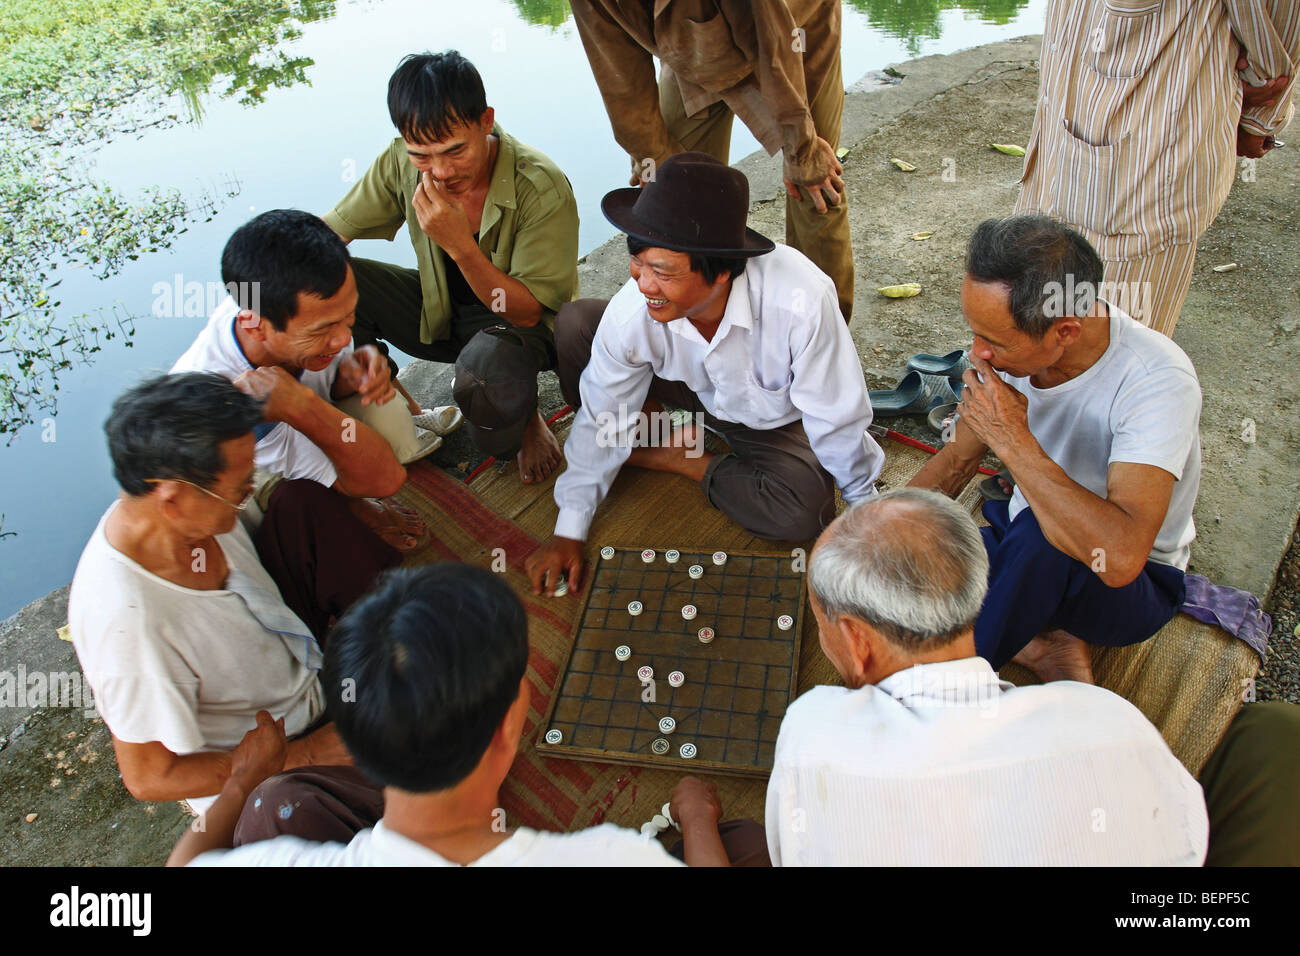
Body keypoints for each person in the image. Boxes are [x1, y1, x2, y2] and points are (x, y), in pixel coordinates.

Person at [169, 564, 735, 866]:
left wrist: (244, 782)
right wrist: (699, 819)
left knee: (274, 806)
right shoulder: (616, 857)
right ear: (514, 717)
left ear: (354, 744)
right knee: (751, 841)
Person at [758, 487, 1209, 865]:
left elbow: (788, 849)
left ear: (857, 641)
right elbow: (1189, 836)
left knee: (742, 837)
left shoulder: (815, 731)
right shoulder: (1117, 723)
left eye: (822, 623)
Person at [525, 152, 883, 597]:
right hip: (688, 387)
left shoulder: (800, 300)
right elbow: (603, 410)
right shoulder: (634, 313)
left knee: (804, 511)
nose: (643, 284)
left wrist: (863, 507)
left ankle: (679, 455)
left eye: (662, 272)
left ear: (721, 272)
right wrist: (569, 530)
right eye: (637, 260)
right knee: (577, 324)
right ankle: (646, 430)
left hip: (768, 417)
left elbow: (835, 414)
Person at [67, 373, 397, 816]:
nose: (249, 490)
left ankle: (389, 649)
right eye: (239, 488)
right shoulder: (125, 620)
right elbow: (148, 776)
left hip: (294, 650)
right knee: (289, 806)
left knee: (301, 502)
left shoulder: (184, 509)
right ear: (172, 498)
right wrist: (305, 755)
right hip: (276, 751)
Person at [911, 216, 1201, 683]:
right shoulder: (1009, 353)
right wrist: (873, 536)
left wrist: (1012, 439)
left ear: (1064, 331)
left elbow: (1122, 558)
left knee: (1039, 539)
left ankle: (949, 691)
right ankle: (1041, 646)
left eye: (994, 341)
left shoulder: (1157, 382)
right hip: (1023, 536)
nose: (977, 352)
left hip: (1126, 585)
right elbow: (956, 462)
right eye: (975, 332)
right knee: (913, 546)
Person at [323, 50, 580, 484]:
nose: (440, 172)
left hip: (520, 331)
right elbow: (330, 234)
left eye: (454, 150)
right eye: (422, 155)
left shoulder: (540, 184)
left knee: (485, 371)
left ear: (485, 121)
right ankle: (407, 411)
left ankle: (526, 417)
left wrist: (460, 246)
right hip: (441, 315)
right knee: (331, 280)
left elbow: (528, 312)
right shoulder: (400, 162)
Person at [1014, 0, 1297, 336]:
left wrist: (1258, 116)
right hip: (1060, 131)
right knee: (1033, 327)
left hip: (1141, 162)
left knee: (1109, 350)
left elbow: (1276, 39)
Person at [569, 0, 855, 321]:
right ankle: (704, 338)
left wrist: (802, 148)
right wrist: (650, 153)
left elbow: (770, 41)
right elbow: (617, 71)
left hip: (791, 36)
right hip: (694, 50)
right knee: (673, 203)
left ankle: (820, 336)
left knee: (814, 185)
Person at [172, 209, 433, 552]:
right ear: (255, 328)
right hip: (251, 473)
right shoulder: (221, 395)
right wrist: (301, 405)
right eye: (324, 329)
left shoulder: (288, 302)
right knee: (304, 501)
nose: (343, 339)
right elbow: (387, 480)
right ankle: (346, 502)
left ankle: (346, 490)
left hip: (294, 421)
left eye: (349, 317)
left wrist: (349, 374)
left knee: (387, 417)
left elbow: (330, 367)